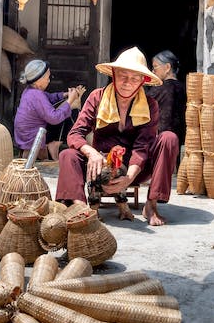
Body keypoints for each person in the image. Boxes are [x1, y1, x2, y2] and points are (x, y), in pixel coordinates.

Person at [57, 46, 179, 226]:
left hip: (133, 168)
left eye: (134, 78)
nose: (128, 82)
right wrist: (91, 153)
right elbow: (75, 133)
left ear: (143, 81)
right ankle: (80, 207)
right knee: (67, 155)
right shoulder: (97, 97)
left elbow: (143, 146)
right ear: (113, 75)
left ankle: (151, 205)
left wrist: (128, 178)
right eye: (123, 76)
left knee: (169, 138)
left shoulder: (150, 105)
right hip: (99, 169)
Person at [13, 59, 85, 161]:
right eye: (47, 78)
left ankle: (47, 152)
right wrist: (70, 101)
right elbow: (54, 118)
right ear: (38, 80)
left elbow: (49, 97)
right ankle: (54, 145)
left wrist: (64, 95)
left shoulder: (30, 90)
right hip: (32, 137)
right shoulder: (36, 95)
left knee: (64, 109)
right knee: (69, 113)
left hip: (24, 134)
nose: (49, 80)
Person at [147, 50, 186, 144]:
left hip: (160, 140)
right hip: (181, 139)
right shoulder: (185, 88)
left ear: (167, 67)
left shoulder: (161, 88)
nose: (153, 71)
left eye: (155, 67)